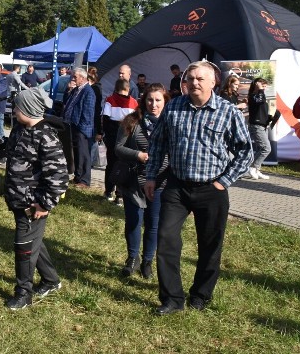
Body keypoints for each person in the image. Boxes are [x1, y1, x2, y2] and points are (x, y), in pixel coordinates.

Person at [145, 61, 252, 315]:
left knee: (210, 245)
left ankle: (201, 295)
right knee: (166, 239)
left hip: (211, 190)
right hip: (177, 186)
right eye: (190, 78)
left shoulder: (228, 112)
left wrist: (223, 182)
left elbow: (245, 152)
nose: (194, 83)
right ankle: (172, 298)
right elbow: (158, 144)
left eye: (200, 79)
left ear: (213, 82)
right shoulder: (173, 108)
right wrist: (151, 176)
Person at [3, 87, 68, 310]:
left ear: (27, 109)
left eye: (16, 107)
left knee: (23, 247)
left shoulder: (46, 137)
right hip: (19, 200)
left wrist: (44, 203)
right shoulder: (20, 130)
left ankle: (23, 293)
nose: (13, 111)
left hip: (34, 205)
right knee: (32, 241)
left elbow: (59, 177)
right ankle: (51, 280)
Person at [115, 84, 170, 279]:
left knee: (153, 224)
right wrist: (138, 154)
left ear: (165, 101)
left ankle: (148, 261)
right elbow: (118, 148)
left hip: (160, 183)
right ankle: (132, 259)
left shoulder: (170, 122)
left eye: (158, 100)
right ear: (143, 100)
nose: (153, 104)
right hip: (134, 181)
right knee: (133, 221)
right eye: (149, 100)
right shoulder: (132, 121)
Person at [101, 78, 139, 204]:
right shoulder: (134, 103)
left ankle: (108, 191)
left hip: (112, 138)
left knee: (111, 165)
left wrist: (106, 134)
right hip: (127, 140)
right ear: (128, 89)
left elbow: (105, 119)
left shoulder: (110, 100)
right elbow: (135, 122)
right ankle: (120, 195)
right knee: (124, 166)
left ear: (115, 88)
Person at [61, 67, 96, 188]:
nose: (73, 78)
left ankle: (85, 180)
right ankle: (78, 176)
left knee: (83, 154)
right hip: (72, 125)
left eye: (75, 77)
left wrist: (81, 127)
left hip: (82, 128)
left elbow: (88, 112)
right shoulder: (76, 89)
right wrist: (68, 90)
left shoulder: (88, 91)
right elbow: (66, 102)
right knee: (76, 153)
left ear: (82, 77)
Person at [246, 77, 275, 181]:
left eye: (265, 86)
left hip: (262, 125)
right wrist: (260, 89)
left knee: (261, 148)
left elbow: (260, 110)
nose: (265, 87)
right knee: (266, 148)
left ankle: (256, 169)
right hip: (256, 126)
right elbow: (259, 101)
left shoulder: (260, 95)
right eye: (263, 85)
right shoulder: (254, 96)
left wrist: (268, 118)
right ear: (256, 85)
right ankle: (253, 167)